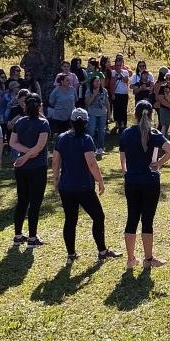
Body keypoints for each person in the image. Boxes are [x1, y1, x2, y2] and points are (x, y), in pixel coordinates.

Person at [52, 107, 121, 263]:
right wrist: (100, 181)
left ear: (71, 121)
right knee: (98, 217)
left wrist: (56, 180)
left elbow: (55, 162)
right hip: (83, 187)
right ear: (86, 122)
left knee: (70, 220)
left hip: (66, 187)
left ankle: (71, 255)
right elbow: (91, 163)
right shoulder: (86, 139)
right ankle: (102, 251)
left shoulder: (62, 138)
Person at [119, 101, 170, 269]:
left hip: (132, 181)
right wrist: (159, 163)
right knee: (147, 220)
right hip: (150, 181)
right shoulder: (154, 133)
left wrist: (125, 172)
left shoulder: (126, 133)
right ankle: (148, 259)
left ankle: (131, 260)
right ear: (152, 115)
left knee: (132, 218)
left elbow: (122, 157)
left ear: (135, 115)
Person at [10, 97, 51, 246]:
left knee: (22, 201)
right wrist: (30, 154)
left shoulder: (20, 122)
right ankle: (32, 238)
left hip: (21, 168)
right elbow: (39, 147)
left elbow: (13, 142)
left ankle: (18, 235)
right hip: (37, 168)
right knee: (35, 202)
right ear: (40, 106)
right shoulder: (43, 123)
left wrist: (24, 156)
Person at [85, 76, 110, 157]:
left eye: (99, 81)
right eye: (96, 81)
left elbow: (107, 103)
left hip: (102, 113)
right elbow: (87, 103)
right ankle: (90, 148)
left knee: (101, 131)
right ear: (92, 83)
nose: (98, 83)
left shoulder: (104, 91)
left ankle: (100, 148)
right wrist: (94, 95)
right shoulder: (89, 90)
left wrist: (108, 114)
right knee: (91, 131)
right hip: (92, 113)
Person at [112, 55, 132, 132]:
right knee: (116, 108)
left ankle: (123, 123)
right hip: (116, 93)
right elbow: (113, 83)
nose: (118, 67)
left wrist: (120, 74)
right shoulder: (113, 72)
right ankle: (117, 123)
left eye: (120, 65)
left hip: (124, 93)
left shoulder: (125, 72)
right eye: (117, 65)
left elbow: (126, 80)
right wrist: (113, 94)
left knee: (123, 109)